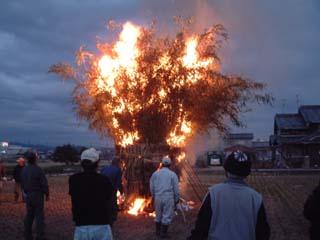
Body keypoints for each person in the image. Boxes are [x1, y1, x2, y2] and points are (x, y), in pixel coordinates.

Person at [188, 151, 270, 240]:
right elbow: (263, 233)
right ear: (247, 174)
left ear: (226, 171)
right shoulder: (256, 198)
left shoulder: (214, 194)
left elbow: (201, 228)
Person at [69, 148, 114, 240]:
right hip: (102, 226)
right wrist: (111, 219)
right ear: (97, 163)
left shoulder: (74, 180)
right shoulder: (104, 180)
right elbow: (111, 202)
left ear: (82, 163)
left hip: (81, 227)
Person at [21, 151, 49, 240]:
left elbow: (22, 183)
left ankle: (27, 235)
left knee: (29, 215)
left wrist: (25, 193)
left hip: (28, 195)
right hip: (37, 195)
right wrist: (47, 194)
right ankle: (40, 236)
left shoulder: (24, 170)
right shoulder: (38, 170)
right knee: (39, 216)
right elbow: (44, 184)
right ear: (35, 159)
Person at [150, 156, 179, 238]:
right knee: (166, 215)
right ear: (170, 165)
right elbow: (176, 189)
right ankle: (163, 234)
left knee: (158, 215)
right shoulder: (173, 175)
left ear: (162, 164)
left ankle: (158, 232)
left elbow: (151, 186)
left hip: (158, 197)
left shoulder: (155, 174)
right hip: (168, 197)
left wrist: (154, 196)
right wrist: (176, 199)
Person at [101, 156, 124, 225]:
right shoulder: (118, 170)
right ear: (118, 163)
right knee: (112, 205)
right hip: (111, 190)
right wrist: (121, 191)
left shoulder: (104, 168)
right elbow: (118, 183)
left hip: (102, 189)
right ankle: (110, 221)